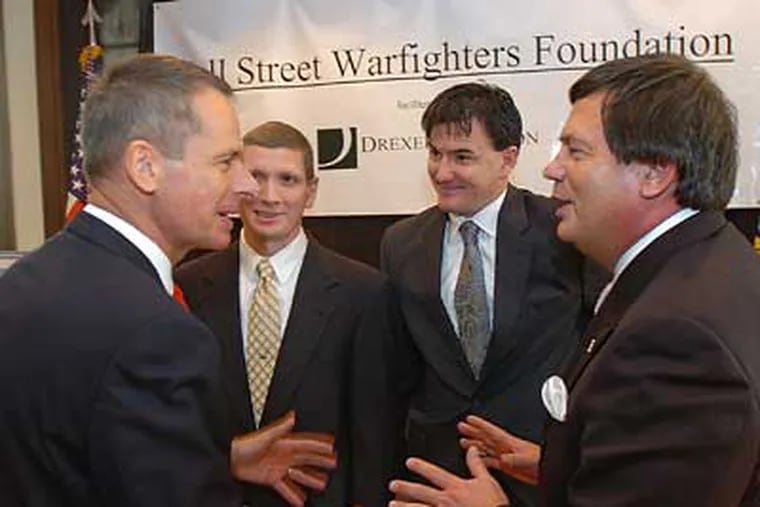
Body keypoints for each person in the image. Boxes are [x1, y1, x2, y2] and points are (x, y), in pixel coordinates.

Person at [389, 54, 760, 506]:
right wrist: (559, 463)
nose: (552, 169)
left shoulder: (675, 335)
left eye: (576, 151)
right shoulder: (716, 261)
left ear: (654, 174)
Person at [0, 54, 334, 507]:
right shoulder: (157, 333)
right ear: (145, 167)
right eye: (225, 162)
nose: (248, 186)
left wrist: (218, 459)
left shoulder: (25, 282)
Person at [380, 82, 600, 507]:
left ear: (508, 159)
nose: (442, 172)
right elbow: (396, 371)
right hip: (436, 470)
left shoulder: (561, 230)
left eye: (462, 157)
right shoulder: (401, 243)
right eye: (435, 153)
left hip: (538, 467)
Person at [176, 120, 394, 507]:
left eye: (288, 180)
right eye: (256, 177)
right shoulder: (187, 285)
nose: (269, 196)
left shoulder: (362, 291)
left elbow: (372, 428)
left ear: (311, 192)